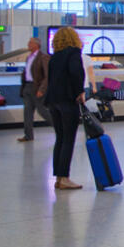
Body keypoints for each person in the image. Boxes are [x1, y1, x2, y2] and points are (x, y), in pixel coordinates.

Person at [45, 27, 86, 190]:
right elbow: (76, 73)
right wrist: (79, 92)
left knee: (60, 138)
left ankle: (58, 177)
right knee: (69, 139)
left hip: (53, 101)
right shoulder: (73, 53)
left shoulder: (54, 57)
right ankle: (65, 178)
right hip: (67, 100)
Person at [18, 37, 50, 143]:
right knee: (27, 112)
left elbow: (47, 75)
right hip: (27, 87)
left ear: (36, 45)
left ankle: (59, 127)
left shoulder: (43, 57)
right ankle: (28, 135)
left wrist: (42, 89)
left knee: (42, 111)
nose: (28, 44)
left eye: (30, 42)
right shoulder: (29, 57)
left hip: (37, 88)